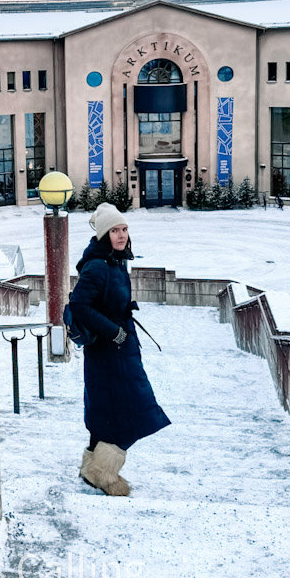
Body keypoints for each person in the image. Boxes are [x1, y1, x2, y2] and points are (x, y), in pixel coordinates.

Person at [68, 203, 171, 496]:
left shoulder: (113, 262)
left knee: (108, 409)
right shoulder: (98, 266)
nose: (122, 235)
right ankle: (102, 470)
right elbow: (79, 305)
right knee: (132, 410)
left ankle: (93, 467)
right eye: (115, 230)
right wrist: (114, 332)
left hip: (119, 348)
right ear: (104, 235)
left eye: (124, 229)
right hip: (109, 351)